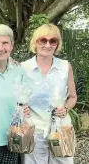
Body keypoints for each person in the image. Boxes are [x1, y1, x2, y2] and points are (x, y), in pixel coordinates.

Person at [21, 24, 77, 164]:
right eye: (43, 40)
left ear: (57, 45)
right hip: (34, 130)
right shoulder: (23, 68)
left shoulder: (65, 66)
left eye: (53, 41)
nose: (47, 44)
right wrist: (21, 107)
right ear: (35, 42)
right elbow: (18, 98)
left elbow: (73, 96)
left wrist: (66, 108)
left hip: (61, 128)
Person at [0, 24, 30, 164]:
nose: (0, 48)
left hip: (14, 136)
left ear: (12, 45)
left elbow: (24, 100)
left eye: (5, 43)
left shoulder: (19, 71)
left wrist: (25, 108)